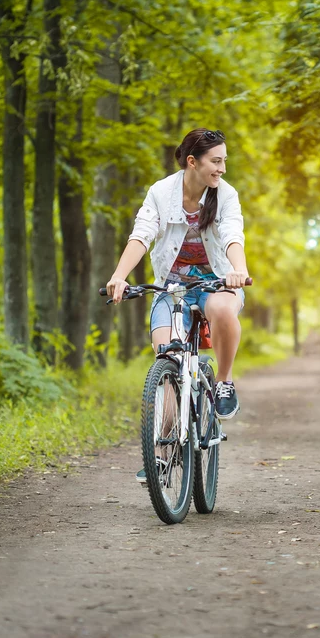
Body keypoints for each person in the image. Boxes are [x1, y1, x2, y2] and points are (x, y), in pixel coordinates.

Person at [105, 129, 250, 481]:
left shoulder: (225, 196)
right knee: (167, 363)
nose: (222, 169)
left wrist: (239, 270)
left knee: (221, 309)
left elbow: (232, 235)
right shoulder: (161, 192)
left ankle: (225, 382)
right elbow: (141, 235)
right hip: (171, 288)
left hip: (216, 282)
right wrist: (120, 276)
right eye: (216, 161)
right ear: (192, 162)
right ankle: (161, 455)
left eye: (224, 161)